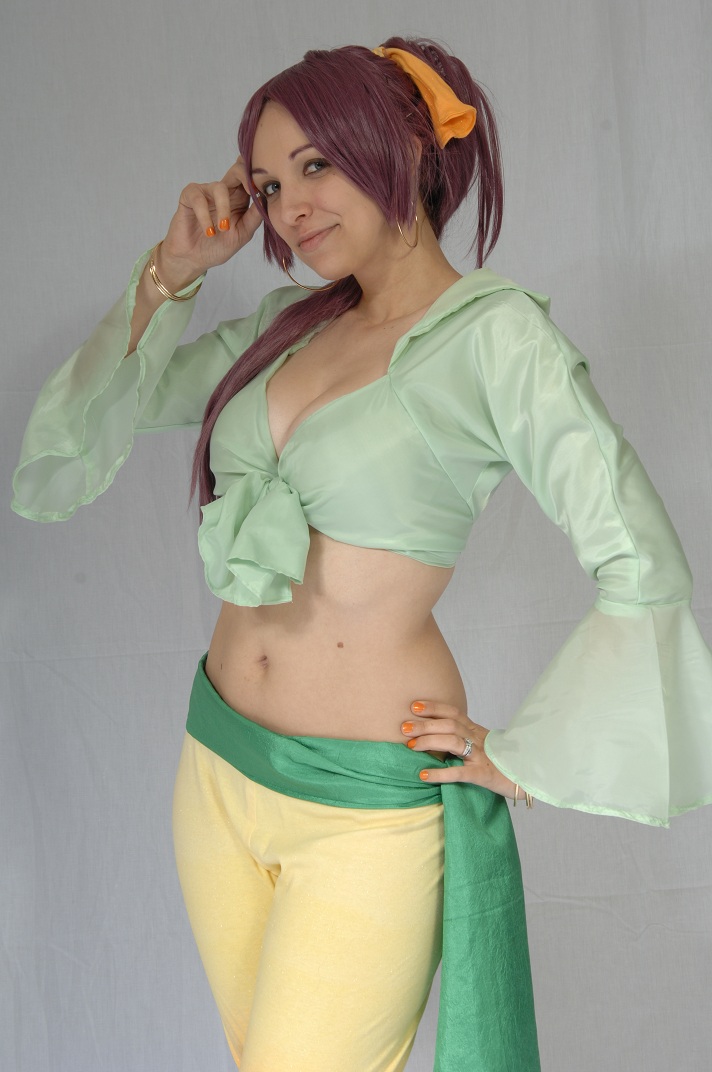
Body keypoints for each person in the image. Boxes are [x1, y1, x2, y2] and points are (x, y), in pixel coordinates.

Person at [11, 36, 712, 1072]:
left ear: (406, 149)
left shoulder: (495, 337)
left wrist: (523, 753)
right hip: (216, 765)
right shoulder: (287, 325)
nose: (289, 206)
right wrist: (174, 271)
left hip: (364, 804)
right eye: (267, 184)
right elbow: (111, 408)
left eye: (317, 164)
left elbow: (638, 557)